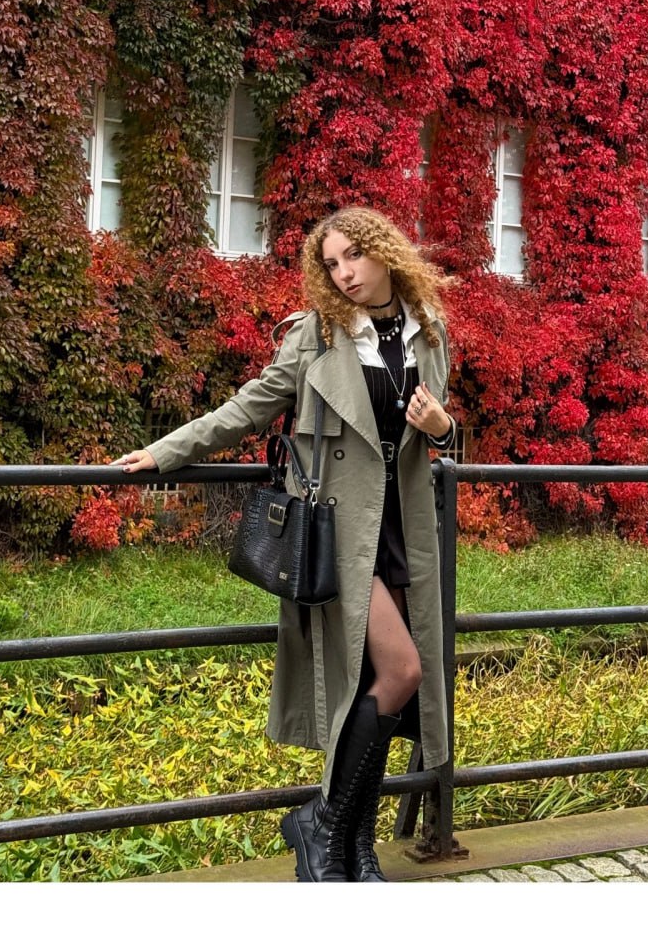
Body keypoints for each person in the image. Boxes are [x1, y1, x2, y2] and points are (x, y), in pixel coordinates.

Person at [114, 206, 456, 882]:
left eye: (353, 256)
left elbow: (440, 437)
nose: (344, 273)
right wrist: (165, 452)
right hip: (339, 531)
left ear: (384, 253)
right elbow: (249, 406)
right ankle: (323, 824)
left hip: (402, 529)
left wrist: (443, 427)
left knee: (374, 685)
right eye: (331, 263)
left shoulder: (428, 332)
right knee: (400, 672)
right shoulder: (317, 336)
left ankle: (351, 846)